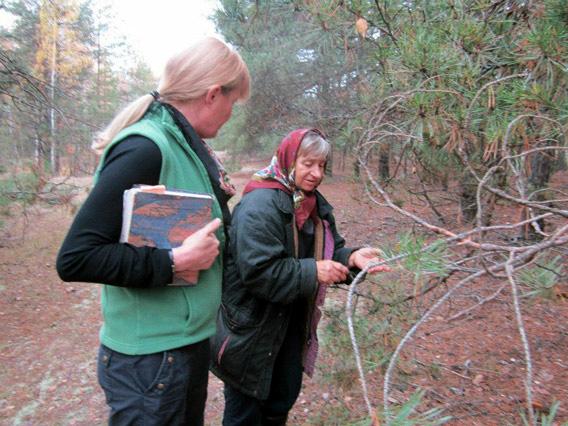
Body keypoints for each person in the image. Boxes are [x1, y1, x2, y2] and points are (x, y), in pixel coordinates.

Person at [56, 37, 250, 425]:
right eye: (233, 102)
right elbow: (77, 257)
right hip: (151, 361)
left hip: (182, 347)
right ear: (213, 94)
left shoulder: (185, 146)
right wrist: (174, 261)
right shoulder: (149, 147)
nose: (231, 113)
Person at [210, 128, 388, 425]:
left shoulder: (312, 204)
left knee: (278, 408)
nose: (316, 173)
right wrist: (313, 270)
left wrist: (352, 258)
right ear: (290, 159)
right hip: (251, 333)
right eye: (308, 164)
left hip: (289, 329)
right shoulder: (259, 205)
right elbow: (259, 273)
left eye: (322, 165)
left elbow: (329, 251)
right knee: (245, 415)